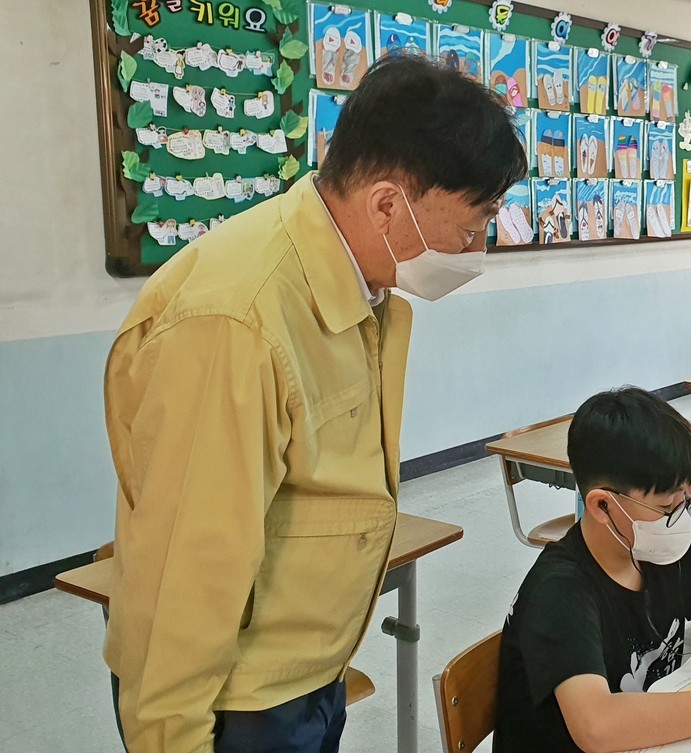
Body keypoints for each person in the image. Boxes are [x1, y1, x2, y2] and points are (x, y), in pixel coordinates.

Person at [103, 56, 526, 753]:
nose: (475, 247)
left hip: (305, 671)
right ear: (388, 204)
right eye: (472, 222)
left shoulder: (365, 290)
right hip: (235, 700)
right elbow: (184, 575)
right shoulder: (235, 320)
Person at [495, 388, 691, 752]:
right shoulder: (561, 590)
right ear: (602, 506)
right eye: (666, 506)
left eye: (685, 500)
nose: (679, 517)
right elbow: (597, 727)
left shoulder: (657, 555)